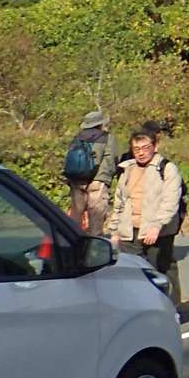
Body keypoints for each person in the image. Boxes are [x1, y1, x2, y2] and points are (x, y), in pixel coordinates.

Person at [110, 125, 183, 304]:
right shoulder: (127, 169)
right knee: (134, 273)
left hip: (157, 231)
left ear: (155, 146)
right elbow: (119, 202)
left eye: (145, 148)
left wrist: (157, 226)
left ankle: (171, 307)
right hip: (130, 230)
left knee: (162, 270)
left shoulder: (167, 169)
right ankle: (142, 307)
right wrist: (114, 231)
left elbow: (170, 200)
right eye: (136, 149)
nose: (141, 153)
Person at [64, 109, 118, 236]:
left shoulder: (77, 138)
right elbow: (111, 161)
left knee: (76, 218)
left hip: (77, 181)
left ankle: (73, 242)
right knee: (96, 222)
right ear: (100, 123)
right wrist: (107, 178)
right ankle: (95, 245)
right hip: (98, 182)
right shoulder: (107, 138)